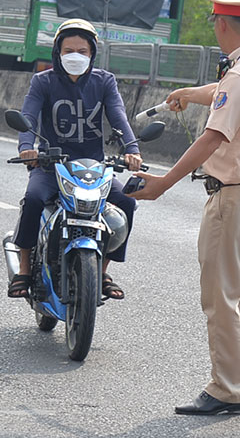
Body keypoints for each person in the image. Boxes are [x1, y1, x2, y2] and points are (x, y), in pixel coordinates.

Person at [128, 0, 240, 416]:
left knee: (219, 295)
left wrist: (162, 182)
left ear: (221, 23)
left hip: (233, 197)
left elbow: (213, 137)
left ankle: (226, 387)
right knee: (235, 288)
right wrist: (192, 93)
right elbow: (226, 90)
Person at [8, 19, 142, 301]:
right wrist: (26, 148)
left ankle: (103, 270)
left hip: (93, 168)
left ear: (92, 53)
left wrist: (132, 149)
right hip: (50, 166)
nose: (75, 56)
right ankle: (23, 268)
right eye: (69, 50)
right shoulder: (42, 81)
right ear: (57, 51)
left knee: (127, 202)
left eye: (82, 51)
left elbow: (118, 116)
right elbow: (28, 116)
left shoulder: (104, 81)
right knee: (33, 199)